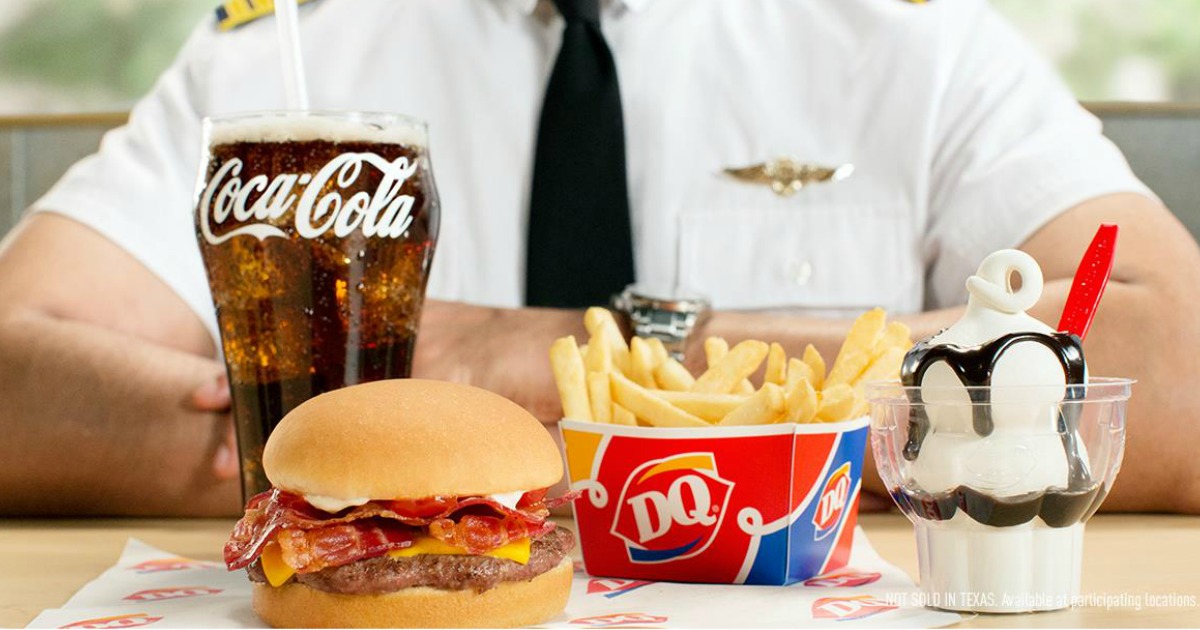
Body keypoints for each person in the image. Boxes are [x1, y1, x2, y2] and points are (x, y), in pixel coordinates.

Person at [1, 0, 1197, 517]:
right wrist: (335, 462)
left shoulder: (916, 43)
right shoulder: (285, 58)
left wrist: (508, 358)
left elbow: (1176, 362)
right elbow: (17, 369)